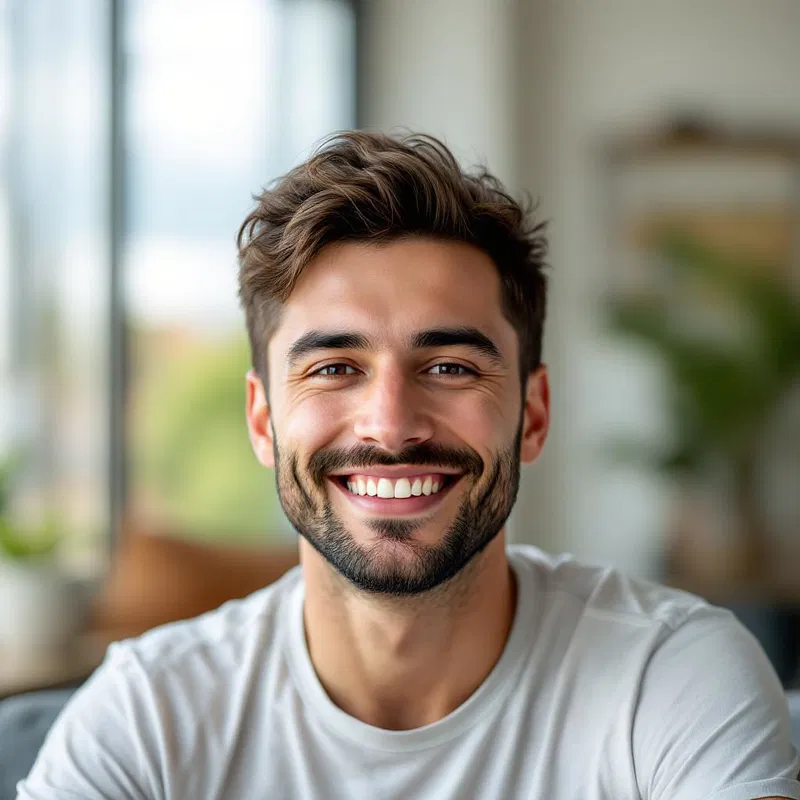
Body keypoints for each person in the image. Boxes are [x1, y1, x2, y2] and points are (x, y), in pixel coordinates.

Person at [17, 132, 800, 800]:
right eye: (333, 369)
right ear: (263, 419)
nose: (391, 425)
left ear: (532, 414)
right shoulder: (148, 716)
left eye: (452, 366)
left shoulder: (669, 677)